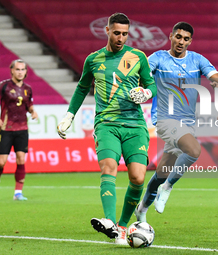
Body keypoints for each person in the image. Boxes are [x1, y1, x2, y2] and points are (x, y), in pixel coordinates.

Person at [56, 13, 157, 245]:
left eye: (124, 33)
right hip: (106, 124)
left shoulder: (138, 57)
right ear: (107, 31)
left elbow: (151, 84)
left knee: (138, 178)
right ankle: (110, 222)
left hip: (134, 125)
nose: (121, 37)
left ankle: (122, 227)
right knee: (108, 167)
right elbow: (82, 87)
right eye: (116, 33)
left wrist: (145, 93)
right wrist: (69, 115)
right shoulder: (93, 59)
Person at [134, 22, 218, 222]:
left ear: (190, 41)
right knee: (194, 150)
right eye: (178, 37)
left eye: (186, 39)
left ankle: (141, 209)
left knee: (162, 172)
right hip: (164, 118)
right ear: (171, 36)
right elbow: (142, 77)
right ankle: (167, 188)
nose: (181, 41)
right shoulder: (158, 58)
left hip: (186, 122)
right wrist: (143, 84)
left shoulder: (197, 60)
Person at [0, 59, 38, 201]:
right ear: (12, 71)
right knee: (1, 162)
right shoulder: (3, 86)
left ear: (26, 72)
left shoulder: (28, 88)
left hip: (22, 128)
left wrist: (33, 111)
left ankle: (18, 193)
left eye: (23, 70)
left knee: (21, 159)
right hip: (6, 128)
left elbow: (29, 105)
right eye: (17, 69)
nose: (20, 72)